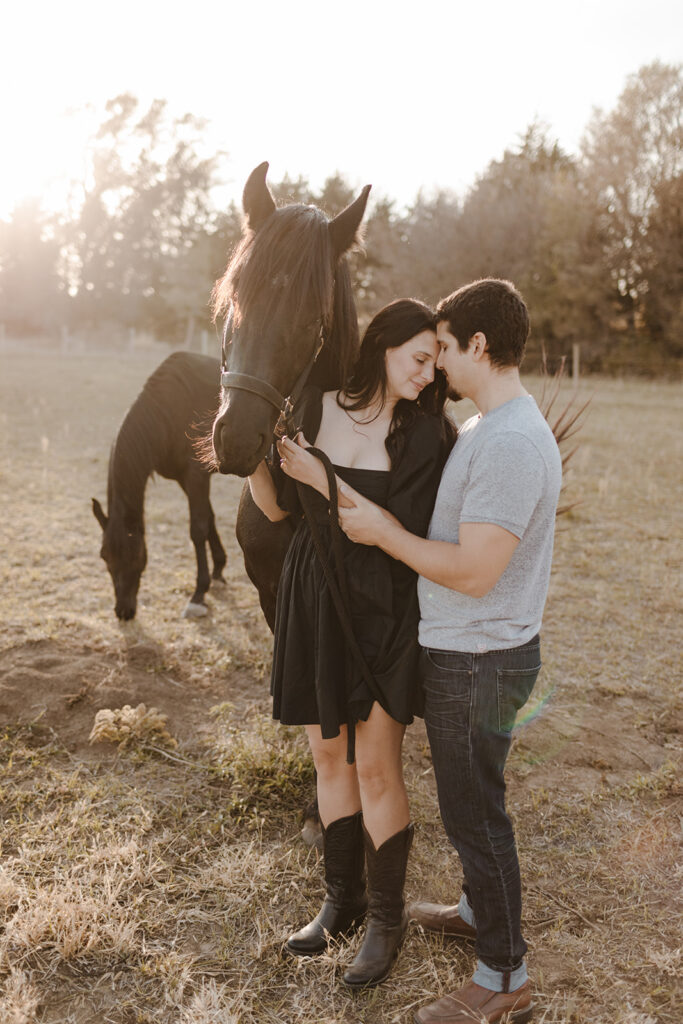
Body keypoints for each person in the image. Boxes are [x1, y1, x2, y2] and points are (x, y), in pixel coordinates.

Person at [338, 279, 562, 1023]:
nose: (435, 367)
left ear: (478, 346)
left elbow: (473, 571)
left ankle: (504, 980)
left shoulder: (509, 444)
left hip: (480, 659)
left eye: (443, 349)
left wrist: (381, 534)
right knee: (469, 807)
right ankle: (475, 910)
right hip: (467, 653)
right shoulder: (484, 431)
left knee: (476, 818)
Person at [247, 298, 456, 988]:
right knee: (327, 753)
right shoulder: (314, 403)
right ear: (383, 345)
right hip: (313, 592)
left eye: (436, 363)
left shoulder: (424, 434)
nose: (429, 375)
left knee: (374, 765)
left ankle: (386, 920)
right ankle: (341, 900)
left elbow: (387, 529)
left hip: (384, 601)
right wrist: (250, 455)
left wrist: (319, 476)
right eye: (419, 359)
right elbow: (279, 507)